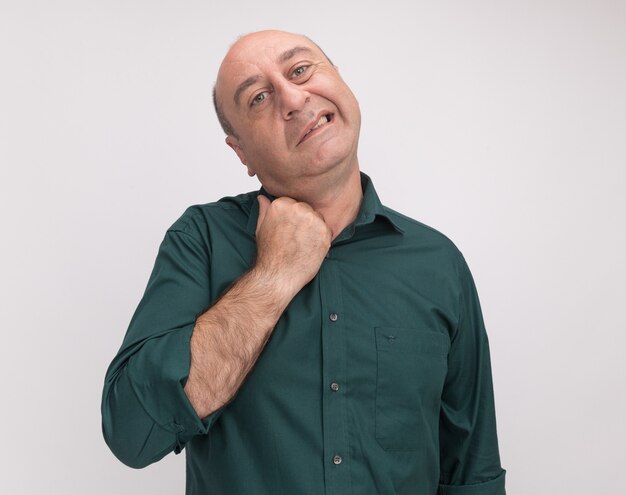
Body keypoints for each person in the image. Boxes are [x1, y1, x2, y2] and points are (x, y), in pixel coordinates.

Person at [101, 29, 506, 494]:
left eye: (300, 70)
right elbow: (133, 433)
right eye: (258, 98)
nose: (293, 98)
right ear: (241, 153)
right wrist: (273, 276)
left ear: (340, 82)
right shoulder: (201, 242)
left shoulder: (438, 264)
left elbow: (472, 474)